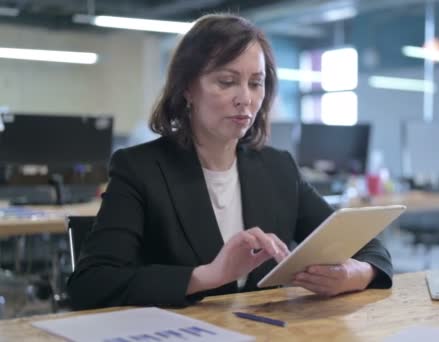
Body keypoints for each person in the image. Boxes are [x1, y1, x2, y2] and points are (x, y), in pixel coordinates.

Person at [67, 13, 393, 309]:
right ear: (187, 89)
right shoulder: (139, 169)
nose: (245, 98)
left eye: (256, 83)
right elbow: (91, 284)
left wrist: (356, 273)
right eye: (226, 81)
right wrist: (208, 275)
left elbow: (367, 247)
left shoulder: (278, 168)